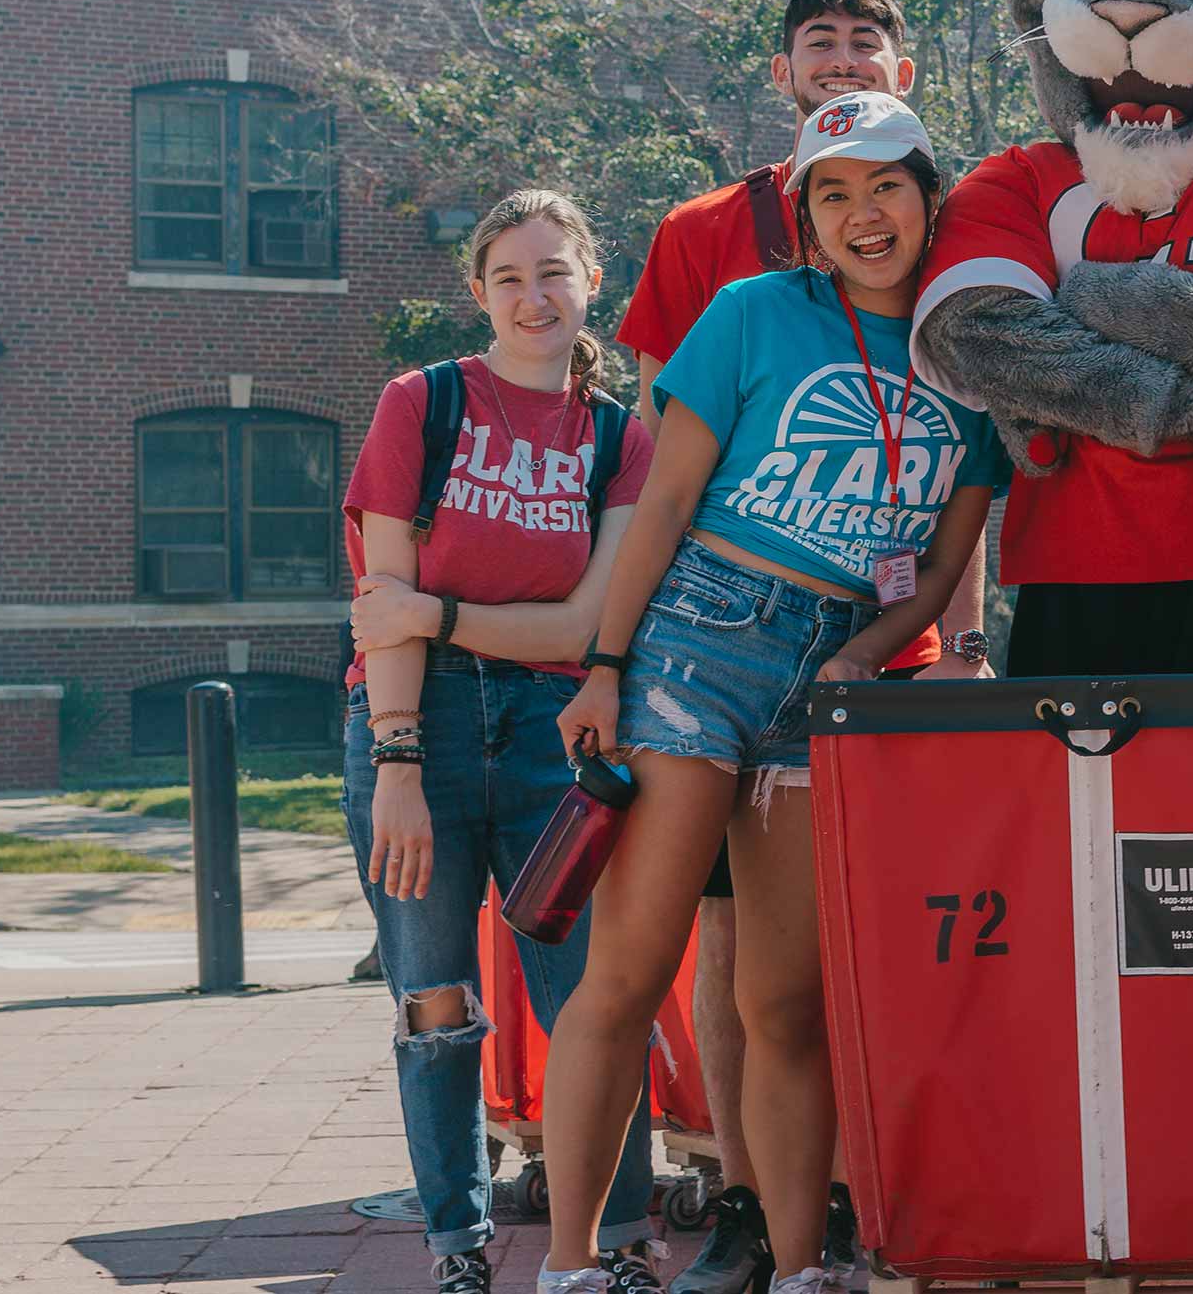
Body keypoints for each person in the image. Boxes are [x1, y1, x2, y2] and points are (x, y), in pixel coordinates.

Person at [537, 94, 1002, 1294]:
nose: (863, 213)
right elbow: (666, 502)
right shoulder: (753, 313)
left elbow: (948, 561)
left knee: (787, 999)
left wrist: (873, 650)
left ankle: (802, 1268)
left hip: (837, 672)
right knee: (631, 969)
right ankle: (573, 1262)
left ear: (928, 194)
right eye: (833, 193)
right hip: (700, 639)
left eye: (885, 184)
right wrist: (606, 661)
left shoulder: (969, 351)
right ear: (804, 218)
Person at [339, 189, 661, 1294]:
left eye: (553, 272)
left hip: (547, 731)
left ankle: (615, 1241)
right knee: (433, 1003)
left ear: (590, 284)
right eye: (510, 277)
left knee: (590, 997)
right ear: (477, 291)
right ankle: (457, 1245)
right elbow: (382, 599)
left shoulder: (620, 437)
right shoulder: (420, 404)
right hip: (412, 718)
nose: (534, 296)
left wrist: (435, 611)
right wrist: (395, 766)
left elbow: (580, 624)